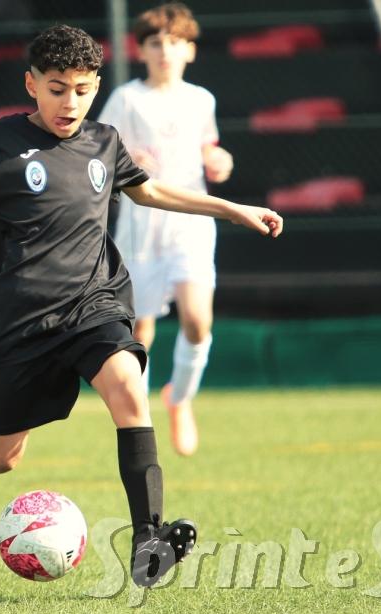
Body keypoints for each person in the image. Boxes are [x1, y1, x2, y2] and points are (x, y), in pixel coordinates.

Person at [0, 25, 282, 587]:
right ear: (31, 85)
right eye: (57, 88)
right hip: (23, 320)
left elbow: (150, 190)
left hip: (94, 303)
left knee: (127, 387)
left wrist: (232, 208)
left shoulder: (103, 141)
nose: (70, 102)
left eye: (82, 89)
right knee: (2, 455)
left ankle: (148, 540)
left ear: (96, 87)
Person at [97, 3, 233, 457]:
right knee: (141, 332)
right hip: (141, 228)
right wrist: (129, 161)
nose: (165, 52)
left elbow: (209, 147)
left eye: (175, 43)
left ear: (190, 50)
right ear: (141, 50)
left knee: (197, 320)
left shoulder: (201, 100)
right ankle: (141, 421)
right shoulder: (127, 99)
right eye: (156, 43)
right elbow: (101, 151)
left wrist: (219, 160)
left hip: (190, 224)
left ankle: (180, 397)